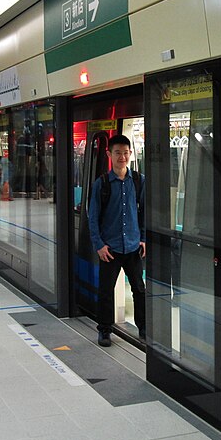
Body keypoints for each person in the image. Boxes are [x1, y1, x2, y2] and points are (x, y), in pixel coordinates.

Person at [87, 134, 146, 347]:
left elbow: (144, 213)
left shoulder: (139, 181)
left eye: (125, 152)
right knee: (106, 292)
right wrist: (99, 245)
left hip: (132, 246)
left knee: (139, 289)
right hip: (110, 248)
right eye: (117, 152)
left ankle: (144, 327)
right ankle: (104, 330)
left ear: (130, 154)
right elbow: (92, 217)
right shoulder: (101, 184)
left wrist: (144, 238)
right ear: (109, 155)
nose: (122, 156)